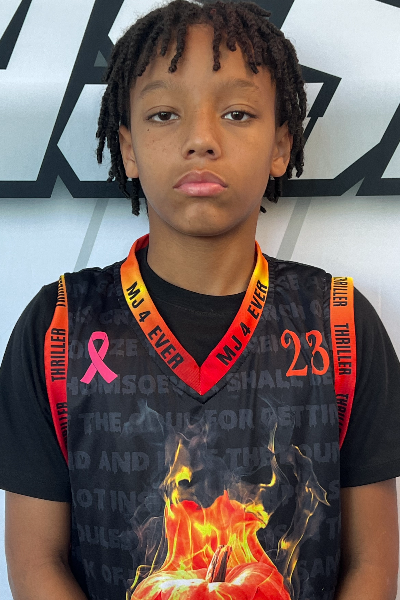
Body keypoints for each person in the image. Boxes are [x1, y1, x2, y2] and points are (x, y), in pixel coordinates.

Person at [1, 1, 400, 599]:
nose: (201, 139)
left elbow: (372, 563)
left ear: (281, 146)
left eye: (237, 113)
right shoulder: (59, 324)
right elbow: (36, 563)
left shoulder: (338, 321)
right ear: (128, 148)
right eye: (165, 114)